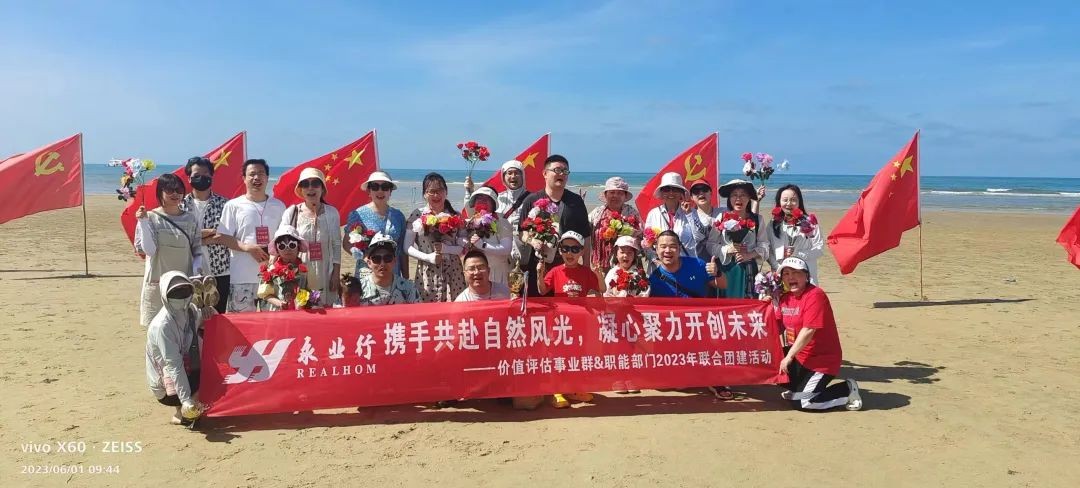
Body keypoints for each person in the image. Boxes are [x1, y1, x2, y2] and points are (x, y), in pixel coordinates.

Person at [648, 230, 731, 399]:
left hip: (699, 325)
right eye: (663, 246)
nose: (667, 251)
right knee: (670, 384)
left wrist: (717, 272)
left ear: (679, 248)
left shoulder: (697, 264)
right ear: (656, 249)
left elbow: (723, 285)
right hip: (673, 330)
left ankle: (715, 379)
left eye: (672, 246)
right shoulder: (654, 278)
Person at [773, 257, 862, 411]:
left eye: (796, 273)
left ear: (806, 276)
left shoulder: (815, 295)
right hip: (800, 357)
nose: (791, 277)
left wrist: (788, 357)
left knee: (804, 403)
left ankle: (847, 390)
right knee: (771, 363)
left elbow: (808, 330)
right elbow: (776, 327)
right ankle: (799, 389)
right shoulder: (785, 298)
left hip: (821, 360)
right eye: (786, 274)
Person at [214, 159, 288, 312]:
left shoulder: (279, 206)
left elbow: (285, 237)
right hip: (242, 276)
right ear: (244, 178)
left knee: (273, 323)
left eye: (261, 173)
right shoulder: (233, 205)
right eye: (252, 174)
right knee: (242, 322)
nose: (256, 178)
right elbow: (223, 236)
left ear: (267, 177)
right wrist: (247, 248)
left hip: (273, 276)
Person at [516, 155, 592, 297]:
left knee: (565, 305)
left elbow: (586, 235)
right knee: (537, 304)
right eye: (557, 170)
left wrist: (586, 267)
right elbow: (522, 232)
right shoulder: (532, 200)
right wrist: (532, 241)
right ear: (545, 173)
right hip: (537, 264)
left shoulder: (576, 202)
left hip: (567, 266)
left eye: (565, 171)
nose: (561, 174)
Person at [135, 173, 204, 327]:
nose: (175, 194)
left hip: (184, 283)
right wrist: (143, 223)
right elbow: (149, 251)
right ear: (160, 192)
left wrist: (197, 274)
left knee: (185, 328)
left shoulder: (190, 219)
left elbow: (197, 251)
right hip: (157, 283)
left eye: (179, 190)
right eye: (170, 190)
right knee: (156, 328)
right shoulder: (150, 217)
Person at [145, 271, 211, 425]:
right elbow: (174, 366)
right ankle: (182, 410)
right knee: (208, 384)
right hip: (166, 387)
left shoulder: (191, 310)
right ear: (165, 295)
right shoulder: (162, 326)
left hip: (187, 370)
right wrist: (186, 399)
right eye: (175, 292)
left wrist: (209, 312)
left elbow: (202, 321)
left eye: (185, 290)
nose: (181, 296)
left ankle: (184, 409)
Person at [280, 168, 342, 305]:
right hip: (299, 269)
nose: (310, 188)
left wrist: (336, 274)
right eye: (305, 184)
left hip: (325, 270)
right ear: (301, 189)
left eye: (315, 183)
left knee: (325, 308)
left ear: (322, 188)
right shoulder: (292, 212)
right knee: (300, 307)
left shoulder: (332, 213)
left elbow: (336, 245)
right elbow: (281, 240)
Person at [405, 172, 467, 302]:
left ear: (446, 192)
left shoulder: (456, 215)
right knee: (428, 310)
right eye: (431, 191)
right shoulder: (417, 215)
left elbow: (463, 247)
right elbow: (407, 247)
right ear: (424, 194)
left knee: (455, 307)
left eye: (440, 190)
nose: (436, 195)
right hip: (427, 271)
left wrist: (446, 249)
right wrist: (428, 257)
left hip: (454, 270)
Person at [180, 156, 231, 313]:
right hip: (187, 270)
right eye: (196, 175)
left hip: (220, 270)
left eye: (205, 174)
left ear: (212, 176)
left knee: (218, 316)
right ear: (189, 178)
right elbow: (180, 238)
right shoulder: (180, 205)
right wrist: (206, 237)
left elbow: (224, 236)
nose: (201, 178)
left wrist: (194, 237)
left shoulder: (225, 204)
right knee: (190, 316)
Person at [707, 179, 768, 299]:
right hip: (726, 269)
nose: (738, 199)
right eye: (734, 195)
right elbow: (710, 245)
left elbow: (764, 246)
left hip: (748, 269)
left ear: (749, 198)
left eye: (743, 195)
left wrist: (749, 255)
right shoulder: (721, 217)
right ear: (729, 199)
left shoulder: (757, 219)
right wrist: (727, 249)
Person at [343, 171, 407, 278]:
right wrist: (364, 257)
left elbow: (402, 251)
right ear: (369, 191)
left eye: (385, 187)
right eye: (375, 187)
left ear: (390, 191)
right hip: (367, 272)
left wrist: (405, 277)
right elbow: (346, 244)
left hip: (393, 273)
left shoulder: (398, 216)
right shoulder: (357, 214)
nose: (380, 191)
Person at [765, 184, 824, 284]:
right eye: (785, 200)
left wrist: (798, 254)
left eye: (793, 200)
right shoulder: (773, 224)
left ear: (799, 202)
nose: (789, 203)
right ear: (779, 202)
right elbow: (768, 249)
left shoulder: (809, 222)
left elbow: (819, 249)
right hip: (780, 275)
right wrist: (778, 267)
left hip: (805, 274)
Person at [644, 172, 707, 260]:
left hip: (686, 262)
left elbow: (700, 237)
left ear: (681, 193)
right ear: (661, 192)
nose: (671, 193)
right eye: (667, 189)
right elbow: (647, 243)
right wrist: (656, 261)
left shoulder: (692, 212)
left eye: (675, 189)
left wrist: (689, 214)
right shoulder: (653, 214)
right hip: (660, 263)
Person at [588, 176, 641, 275]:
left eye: (620, 193)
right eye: (612, 192)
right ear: (606, 195)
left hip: (626, 264)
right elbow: (584, 230)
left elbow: (641, 237)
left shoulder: (632, 213)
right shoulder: (596, 213)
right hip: (600, 265)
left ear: (625, 196)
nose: (615, 196)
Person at [462, 187, 513, 285]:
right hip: (475, 274)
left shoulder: (502, 222)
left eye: (486, 199)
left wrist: (483, 245)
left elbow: (507, 248)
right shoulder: (471, 222)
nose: (482, 201)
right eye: (479, 198)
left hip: (497, 274)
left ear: (493, 203)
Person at [353, 234, 420, 306]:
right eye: (376, 259)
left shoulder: (409, 288)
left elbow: (418, 311)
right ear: (369, 263)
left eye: (387, 258)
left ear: (395, 261)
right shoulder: (357, 289)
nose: (382, 263)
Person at [464, 159, 529, 229]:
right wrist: (469, 191)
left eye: (516, 173)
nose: (513, 176)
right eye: (509, 173)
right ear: (503, 177)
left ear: (522, 176)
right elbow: (475, 214)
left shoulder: (531, 199)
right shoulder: (496, 198)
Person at [257, 226, 309, 311]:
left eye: (292, 245)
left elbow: (312, 291)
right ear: (277, 249)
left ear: (298, 247)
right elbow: (265, 295)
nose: (287, 249)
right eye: (282, 246)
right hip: (277, 313)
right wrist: (279, 303)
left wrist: (303, 301)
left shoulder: (305, 268)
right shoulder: (271, 269)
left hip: (301, 313)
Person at [538, 231, 602, 298]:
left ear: (582, 252)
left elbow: (602, 289)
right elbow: (542, 291)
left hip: (580, 305)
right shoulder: (555, 271)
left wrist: (599, 275)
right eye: (565, 248)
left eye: (575, 249)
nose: (569, 253)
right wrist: (539, 273)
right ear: (560, 251)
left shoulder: (586, 272)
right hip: (561, 305)